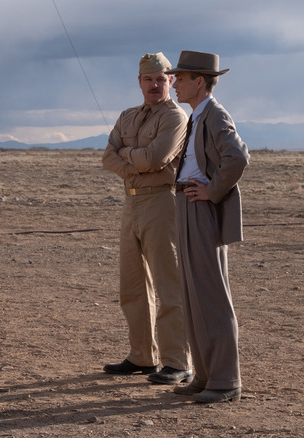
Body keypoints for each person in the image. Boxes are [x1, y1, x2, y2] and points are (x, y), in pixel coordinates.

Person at [102, 52, 192, 385]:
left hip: (162, 204)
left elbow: (158, 156)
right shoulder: (127, 116)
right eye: (148, 79)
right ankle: (142, 357)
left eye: (161, 79)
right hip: (132, 203)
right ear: (139, 81)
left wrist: (128, 156)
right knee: (132, 286)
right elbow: (107, 157)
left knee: (169, 285)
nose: (154, 85)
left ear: (170, 80)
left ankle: (177, 361)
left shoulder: (176, 117)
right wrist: (135, 161)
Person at [167, 50, 250, 403]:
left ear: (199, 82)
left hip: (202, 208)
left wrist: (213, 191)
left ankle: (225, 381)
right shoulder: (197, 116)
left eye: (180, 78)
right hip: (187, 204)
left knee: (211, 295)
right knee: (192, 293)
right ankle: (205, 376)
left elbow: (238, 157)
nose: (174, 84)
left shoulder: (214, 115)